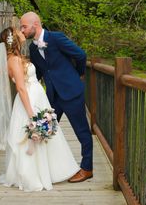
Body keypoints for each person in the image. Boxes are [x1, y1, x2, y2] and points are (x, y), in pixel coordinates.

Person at [0, 26, 80, 192]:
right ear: (14, 39)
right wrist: (31, 114)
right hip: (29, 100)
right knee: (32, 137)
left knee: (45, 135)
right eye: (18, 31)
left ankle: (49, 171)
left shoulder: (16, 57)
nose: (22, 32)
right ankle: (32, 175)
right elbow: (21, 88)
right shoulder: (14, 60)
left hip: (37, 97)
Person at [20, 12, 93, 183]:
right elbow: (38, 72)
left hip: (72, 92)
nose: (22, 30)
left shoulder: (57, 38)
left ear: (35, 24)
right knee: (44, 130)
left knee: (82, 131)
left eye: (24, 26)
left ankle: (87, 168)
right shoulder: (32, 48)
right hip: (52, 96)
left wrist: (78, 75)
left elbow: (81, 55)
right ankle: (39, 168)